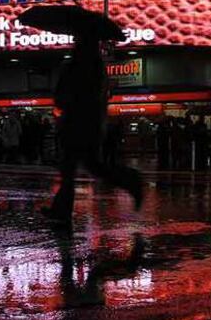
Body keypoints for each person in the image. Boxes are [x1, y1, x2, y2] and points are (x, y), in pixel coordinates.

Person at [44, 35, 143, 224]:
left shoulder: (84, 67)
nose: (74, 43)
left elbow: (72, 95)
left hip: (80, 124)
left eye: (77, 40)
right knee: (71, 168)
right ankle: (61, 211)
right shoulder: (89, 66)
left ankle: (132, 181)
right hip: (83, 124)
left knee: (89, 167)